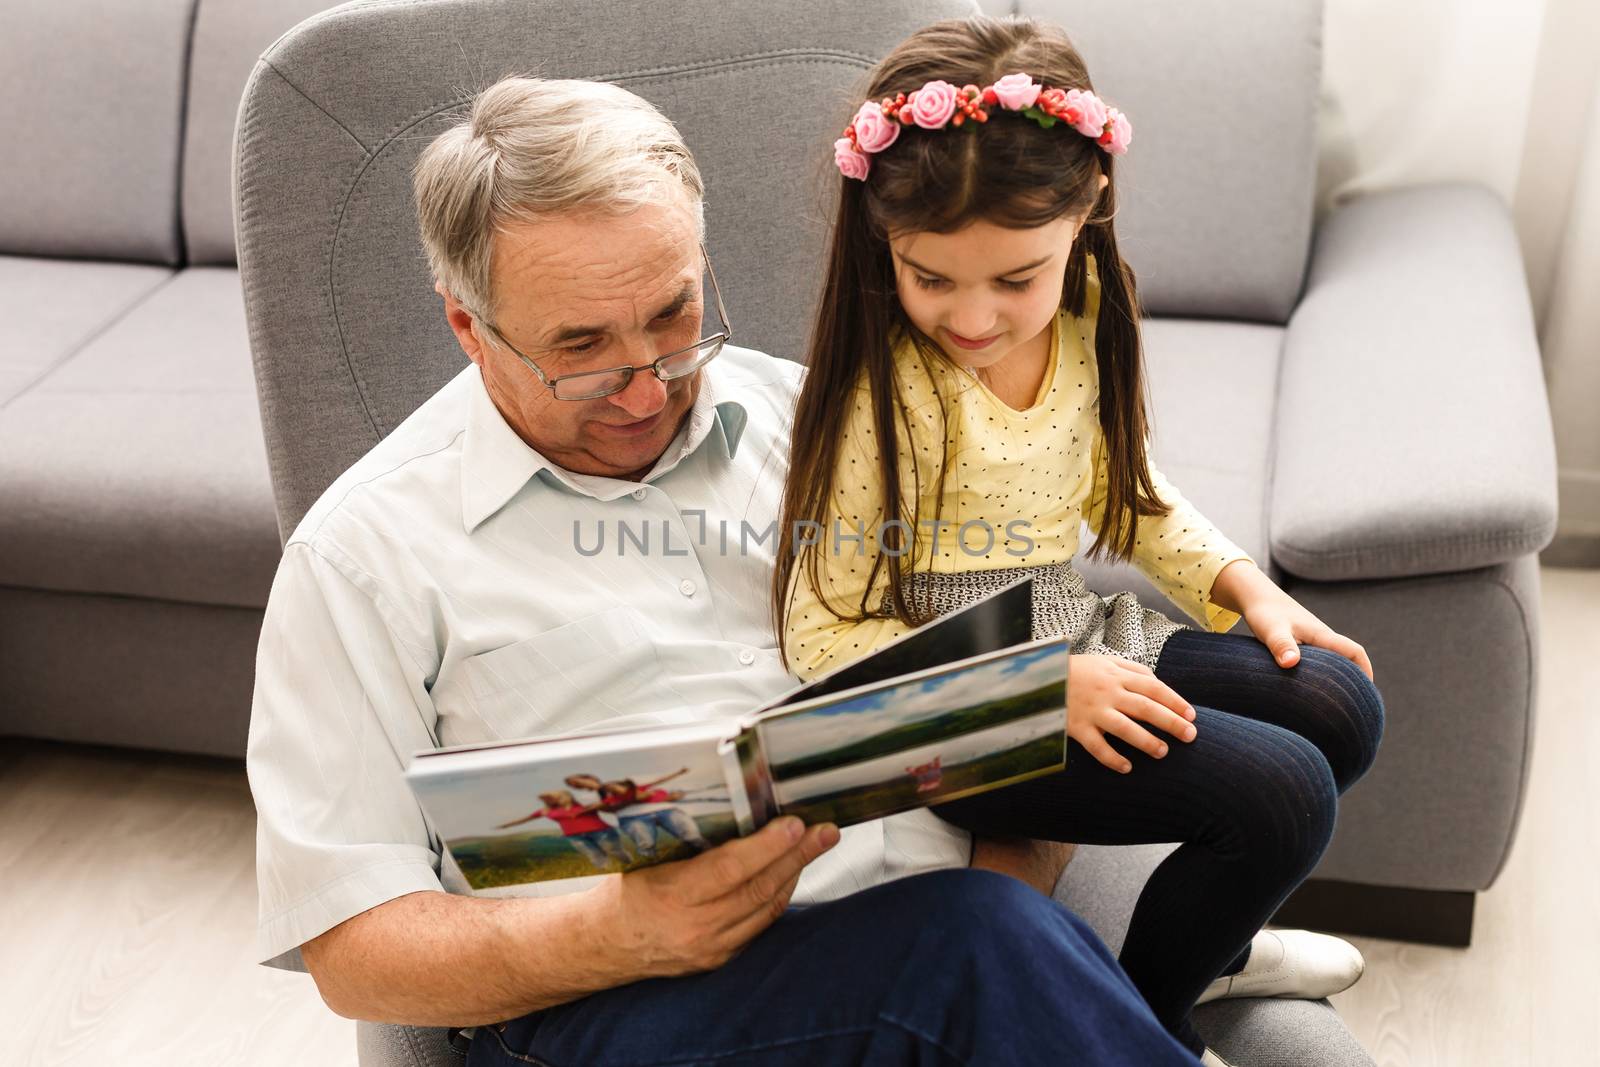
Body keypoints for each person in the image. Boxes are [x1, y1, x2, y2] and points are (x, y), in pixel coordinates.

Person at [245, 73, 1199, 1065]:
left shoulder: (827, 427)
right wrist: (616, 931)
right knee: (972, 946)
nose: (644, 386)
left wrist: (1016, 872)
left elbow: (1000, 672)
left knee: (984, 933)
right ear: (468, 327)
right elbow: (353, 948)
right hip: (618, 1006)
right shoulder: (361, 555)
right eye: (581, 349)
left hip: (938, 948)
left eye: (671, 315)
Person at [774, 16, 1387, 1065]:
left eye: (1014, 278)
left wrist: (1244, 585)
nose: (972, 317)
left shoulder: (1089, 311)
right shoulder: (884, 395)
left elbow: (1130, 496)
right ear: (886, 243)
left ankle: (1204, 950)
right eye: (931, 278)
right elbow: (821, 642)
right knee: (1281, 794)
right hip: (951, 707)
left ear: (1088, 205)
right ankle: (1141, 1023)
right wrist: (1033, 683)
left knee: (1339, 701)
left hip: (1075, 635)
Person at [495, 789, 634, 869]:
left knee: (614, 851)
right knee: (594, 856)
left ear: (569, 796)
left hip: (601, 831)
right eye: (559, 797)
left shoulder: (583, 804)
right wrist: (507, 825)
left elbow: (605, 803)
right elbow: (526, 818)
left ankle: (630, 865)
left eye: (564, 796)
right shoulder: (546, 811)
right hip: (575, 836)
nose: (562, 799)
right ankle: (610, 873)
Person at [598, 776, 713, 858]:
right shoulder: (609, 801)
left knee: (692, 836)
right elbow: (608, 807)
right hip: (631, 817)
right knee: (646, 844)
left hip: (664, 810)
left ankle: (708, 854)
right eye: (609, 789)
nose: (613, 789)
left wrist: (672, 796)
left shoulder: (651, 791)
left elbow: (661, 796)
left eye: (615, 786)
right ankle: (652, 866)